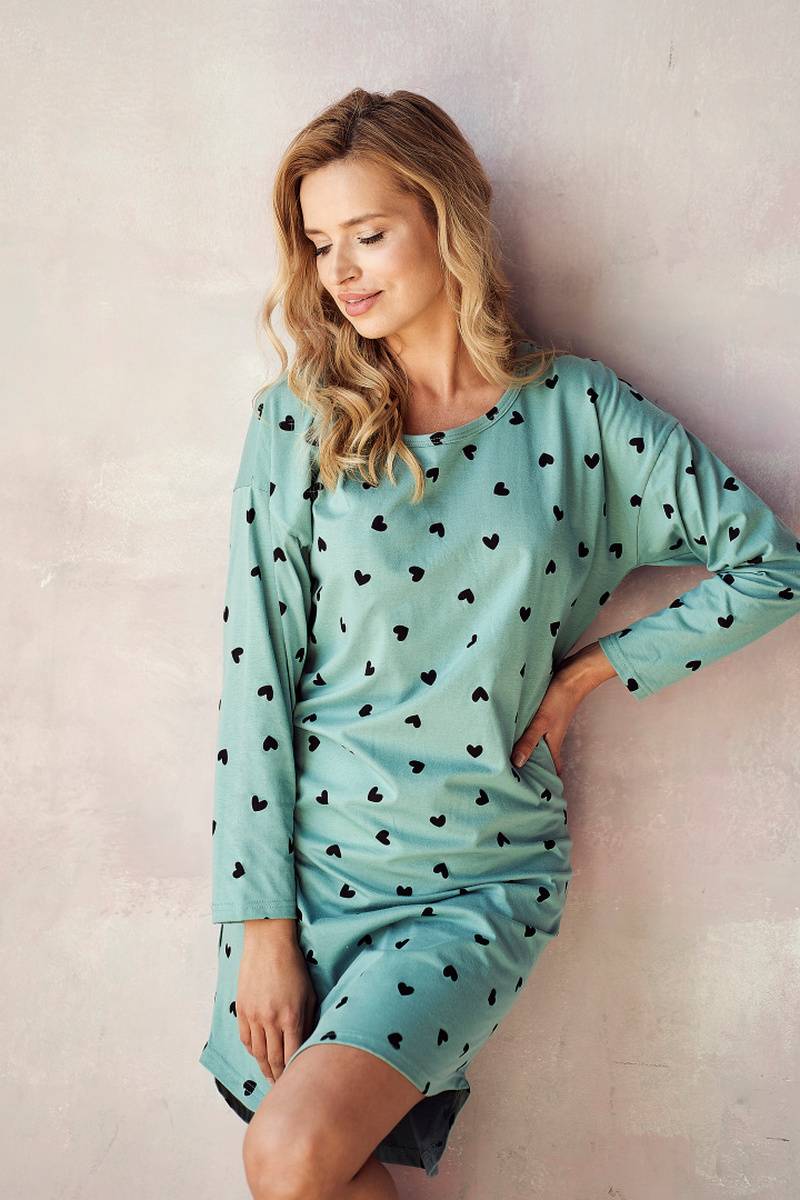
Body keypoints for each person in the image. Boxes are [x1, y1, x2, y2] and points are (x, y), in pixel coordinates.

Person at [198, 87, 800, 1198]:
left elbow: (771, 567)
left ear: (445, 218)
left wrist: (593, 672)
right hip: (311, 869)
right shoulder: (298, 420)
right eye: (320, 244)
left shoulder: (576, 413)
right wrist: (260, 926)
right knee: (321, 1171)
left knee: (289, 1153)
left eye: (368, 233)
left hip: (477, 876)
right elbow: (255, 685)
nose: (341, 272)